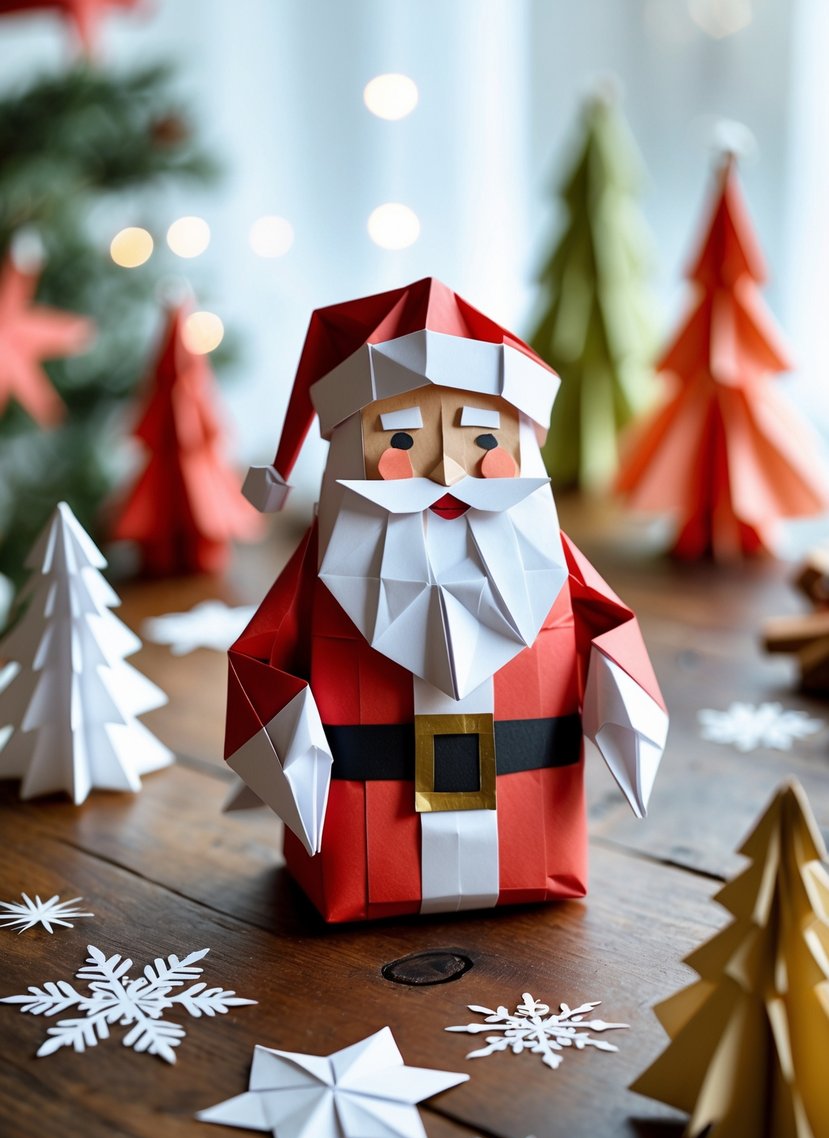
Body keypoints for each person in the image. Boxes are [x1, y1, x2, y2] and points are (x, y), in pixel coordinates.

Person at [226, 277, 668, 921]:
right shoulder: (324, 563)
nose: (447, 475)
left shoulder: (547, 554)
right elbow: (258, 662)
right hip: (366, 840)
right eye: (401, 442)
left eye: (485, 441)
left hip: (529, 829)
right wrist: (289, 760)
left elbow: (612, 632)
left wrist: (629, 716)